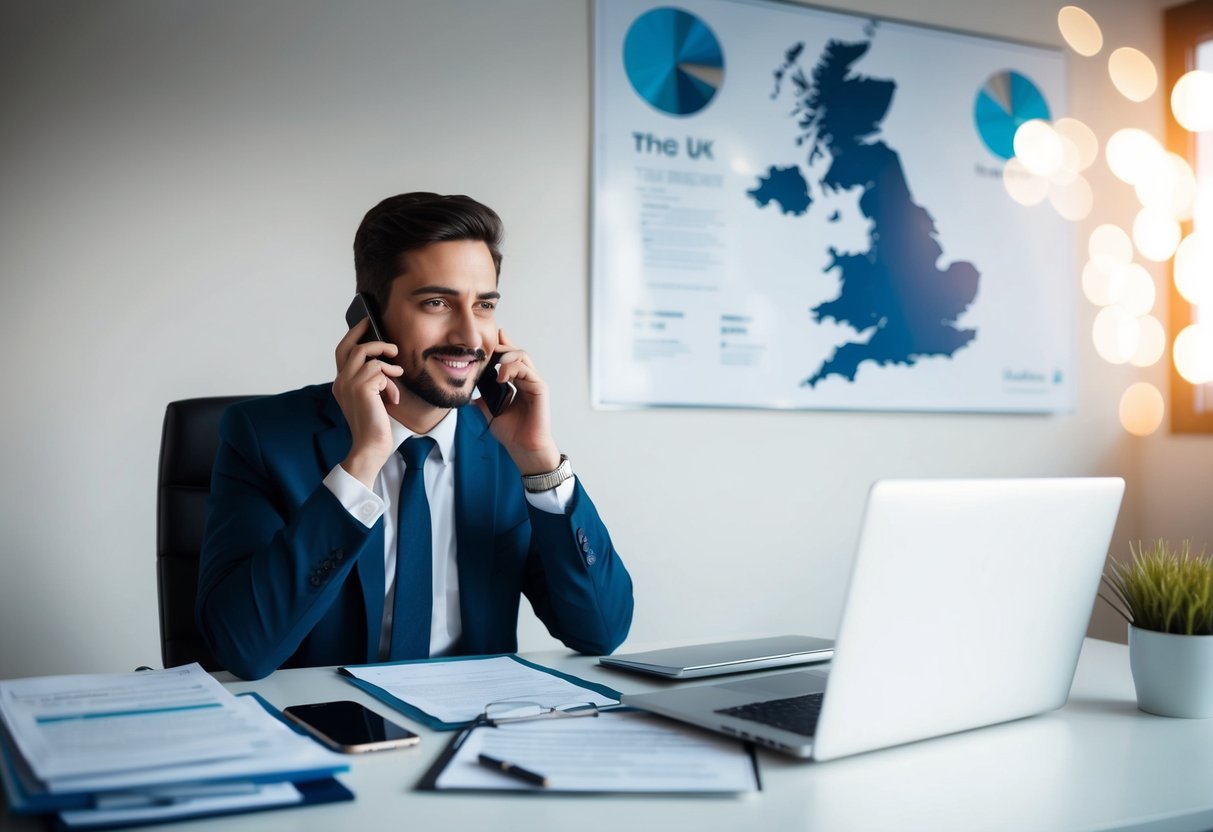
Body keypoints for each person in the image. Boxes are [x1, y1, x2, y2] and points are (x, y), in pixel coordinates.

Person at [197, 192, 634, 680]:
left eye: (484, 305)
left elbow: (600, 630)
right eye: (436, 302)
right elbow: (243, 650)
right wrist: (362, 462)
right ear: (369, 319)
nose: (470, 337)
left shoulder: (509, 446)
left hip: (472, 731)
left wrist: (539, 461)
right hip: (330, 730)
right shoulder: (264, 436)